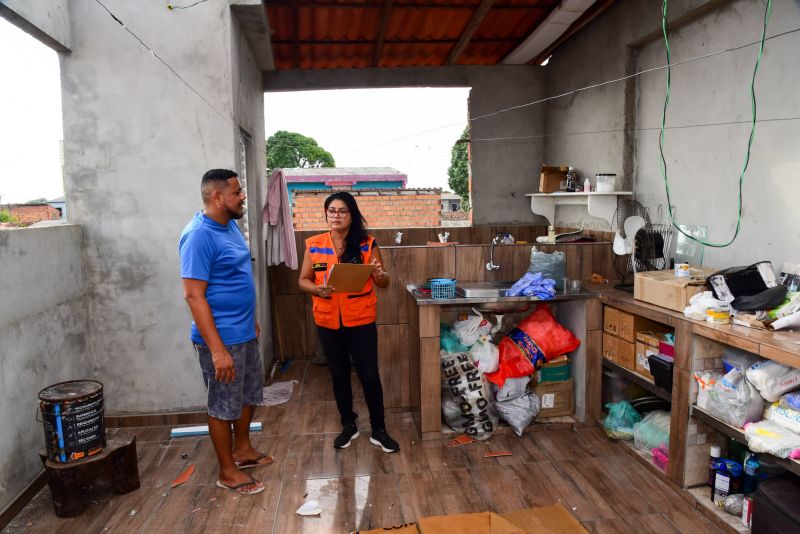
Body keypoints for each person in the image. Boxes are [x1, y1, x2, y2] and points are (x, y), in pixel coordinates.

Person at [179, 169, 271, 495]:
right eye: (236, 192)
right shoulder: (198, 236)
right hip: (220, 340)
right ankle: (227, 471)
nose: (242, 196)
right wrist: (216, 349)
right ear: (217, 197)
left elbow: (235, 275)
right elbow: (193, 295)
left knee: (247, 395)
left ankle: (242, 449)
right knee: (222, 404)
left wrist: (250, 318)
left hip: (243, 331)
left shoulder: (230, 225)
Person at [298, 192, 400, 453]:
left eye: (342, 211)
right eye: (332, 211)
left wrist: (380, 274)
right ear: (326, 214)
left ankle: (379, 429)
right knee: (339, 375)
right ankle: (348, 425)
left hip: (361, 320)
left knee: (369, 375)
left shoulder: (367, 244)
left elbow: (384, 281)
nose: (336, 215)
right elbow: (303, 280)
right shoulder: (315, 244)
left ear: (352, 214)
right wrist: (317, 290)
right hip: (328, 322)